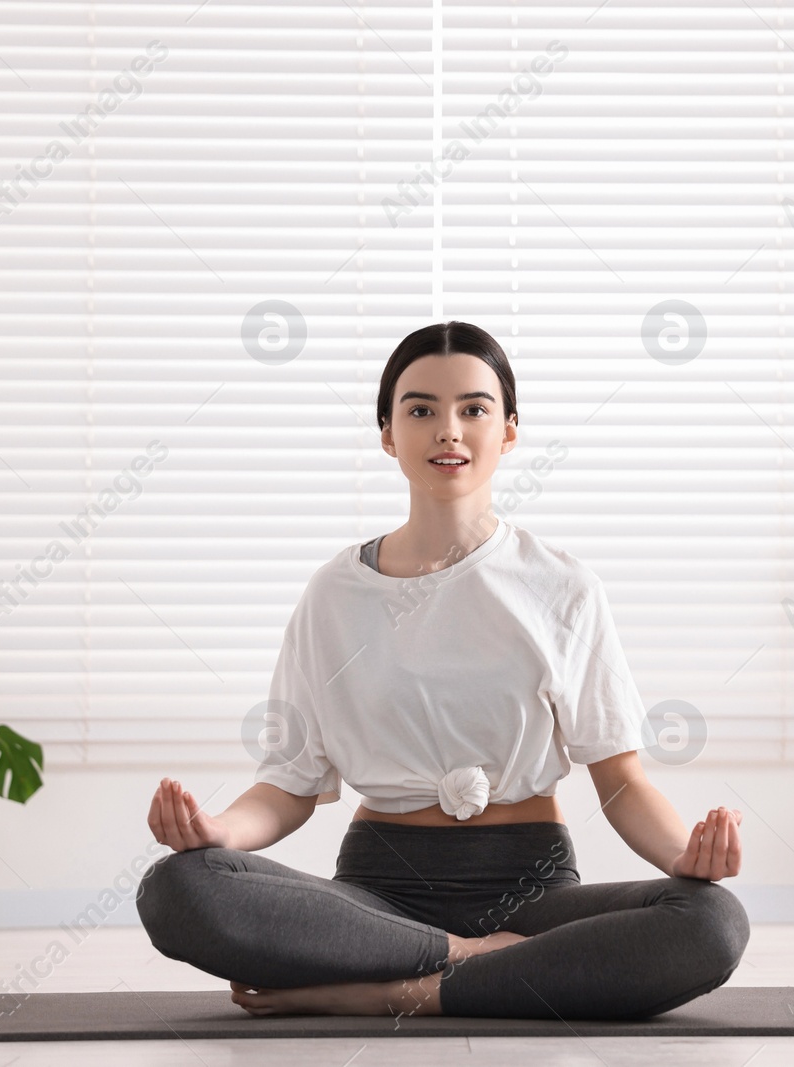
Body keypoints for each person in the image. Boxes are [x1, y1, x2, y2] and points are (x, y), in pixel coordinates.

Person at [137, 321, 748, 1020]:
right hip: (377, 894)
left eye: (474, 409)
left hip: (535, 890)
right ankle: (468, 957)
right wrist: (218, 832)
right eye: (421, 409)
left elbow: (621, 782)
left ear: (509, 430)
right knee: (178, 887)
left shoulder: (565, 587)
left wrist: (686, 857)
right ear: (389, 434)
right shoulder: (333, 594)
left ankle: (394, 989)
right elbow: (288, 784)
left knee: (711, 922)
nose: (448, 430)